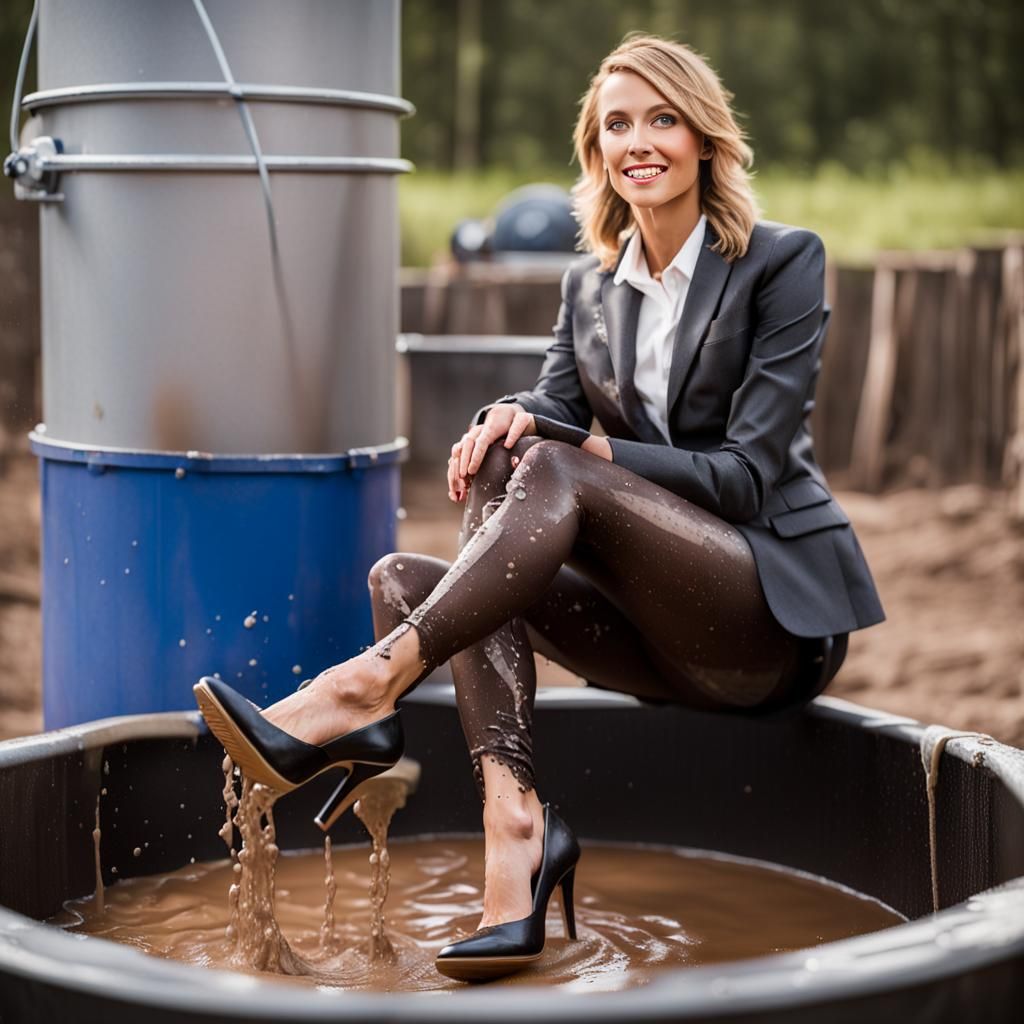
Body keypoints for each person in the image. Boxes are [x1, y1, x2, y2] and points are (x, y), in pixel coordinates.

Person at [194, 33, 885, 982]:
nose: (638, 141)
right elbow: (553, 408)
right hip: (652, 642)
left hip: (762, 618)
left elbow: (749, 475)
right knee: (421, 549)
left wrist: (583, 447)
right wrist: (509, 417)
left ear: (704, 138)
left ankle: (361, 691)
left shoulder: (778, 264)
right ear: (596, 152)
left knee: (554, 465)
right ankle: (514, 822)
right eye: (615, 126)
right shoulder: (590, 286)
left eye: (661, 119)